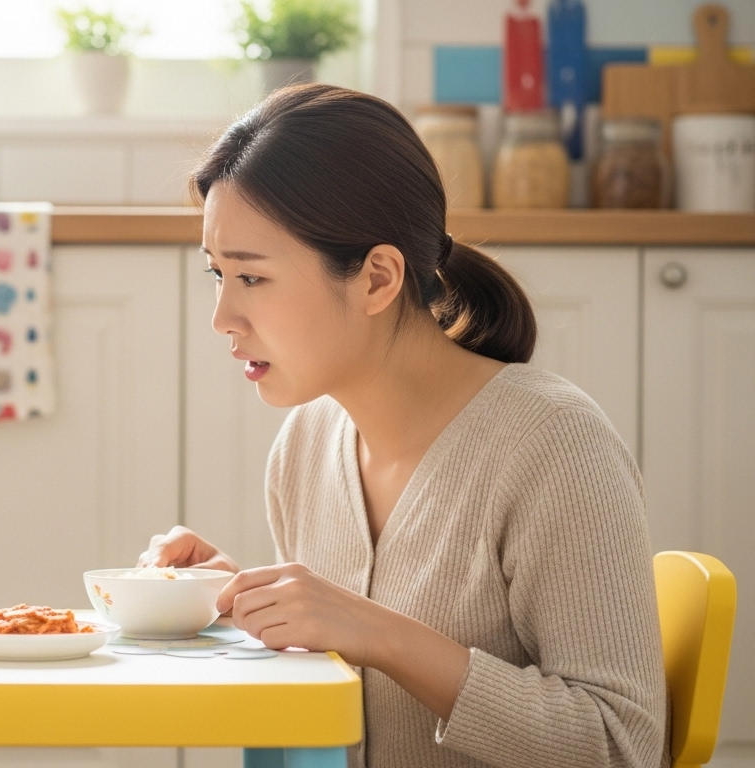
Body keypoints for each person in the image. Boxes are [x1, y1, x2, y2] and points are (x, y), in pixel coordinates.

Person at [138, 84, 667, 768]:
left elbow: (621, 747)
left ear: (378, 278)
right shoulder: (303, 445)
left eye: (253, 279)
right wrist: (239, 603)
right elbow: (346, 707)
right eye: (218, 275)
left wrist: (383, 636)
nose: (222, 319)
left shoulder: (554, 445)